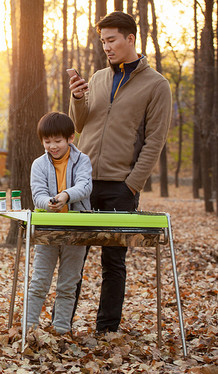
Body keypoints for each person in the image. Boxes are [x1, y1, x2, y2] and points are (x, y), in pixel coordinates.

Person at [68, 11, 172, 333]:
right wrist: (77, 98)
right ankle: (63, 324)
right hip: (82, 182)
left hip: (120, 187)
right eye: (103, 41)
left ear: (130, 39)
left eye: (111, 40)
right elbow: (80, 124)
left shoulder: (157, 85)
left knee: (113, 262)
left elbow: (155, 142)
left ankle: (106, 329)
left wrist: (131, 185)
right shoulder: (98, 78)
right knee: (73, 259)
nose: (106, 47)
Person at [27, 112, 92, 335]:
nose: (52, 146)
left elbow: (85, 186)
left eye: (57, 141)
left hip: (76, 230)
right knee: (39, 282)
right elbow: (38, 194)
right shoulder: (38, 164)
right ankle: (28, 328)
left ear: (70, 138)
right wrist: (49, 202)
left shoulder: (82, 160)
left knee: (68, 284)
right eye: (47, 141)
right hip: (48, 231)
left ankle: (62, 329)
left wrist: (65, 195)